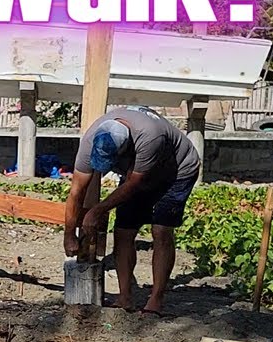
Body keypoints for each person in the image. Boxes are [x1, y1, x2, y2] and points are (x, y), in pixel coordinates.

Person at [64, 106, 201, 315]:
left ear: (125, 149)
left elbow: (133, 185)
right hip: (136, 174)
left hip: (177, 171)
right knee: (123, 232)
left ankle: (156, 300)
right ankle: (125, 297)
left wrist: (97, 211)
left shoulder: (149, 137)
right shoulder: (90, 140)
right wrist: (69, 234)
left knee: (160, 230)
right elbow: (76, 191)